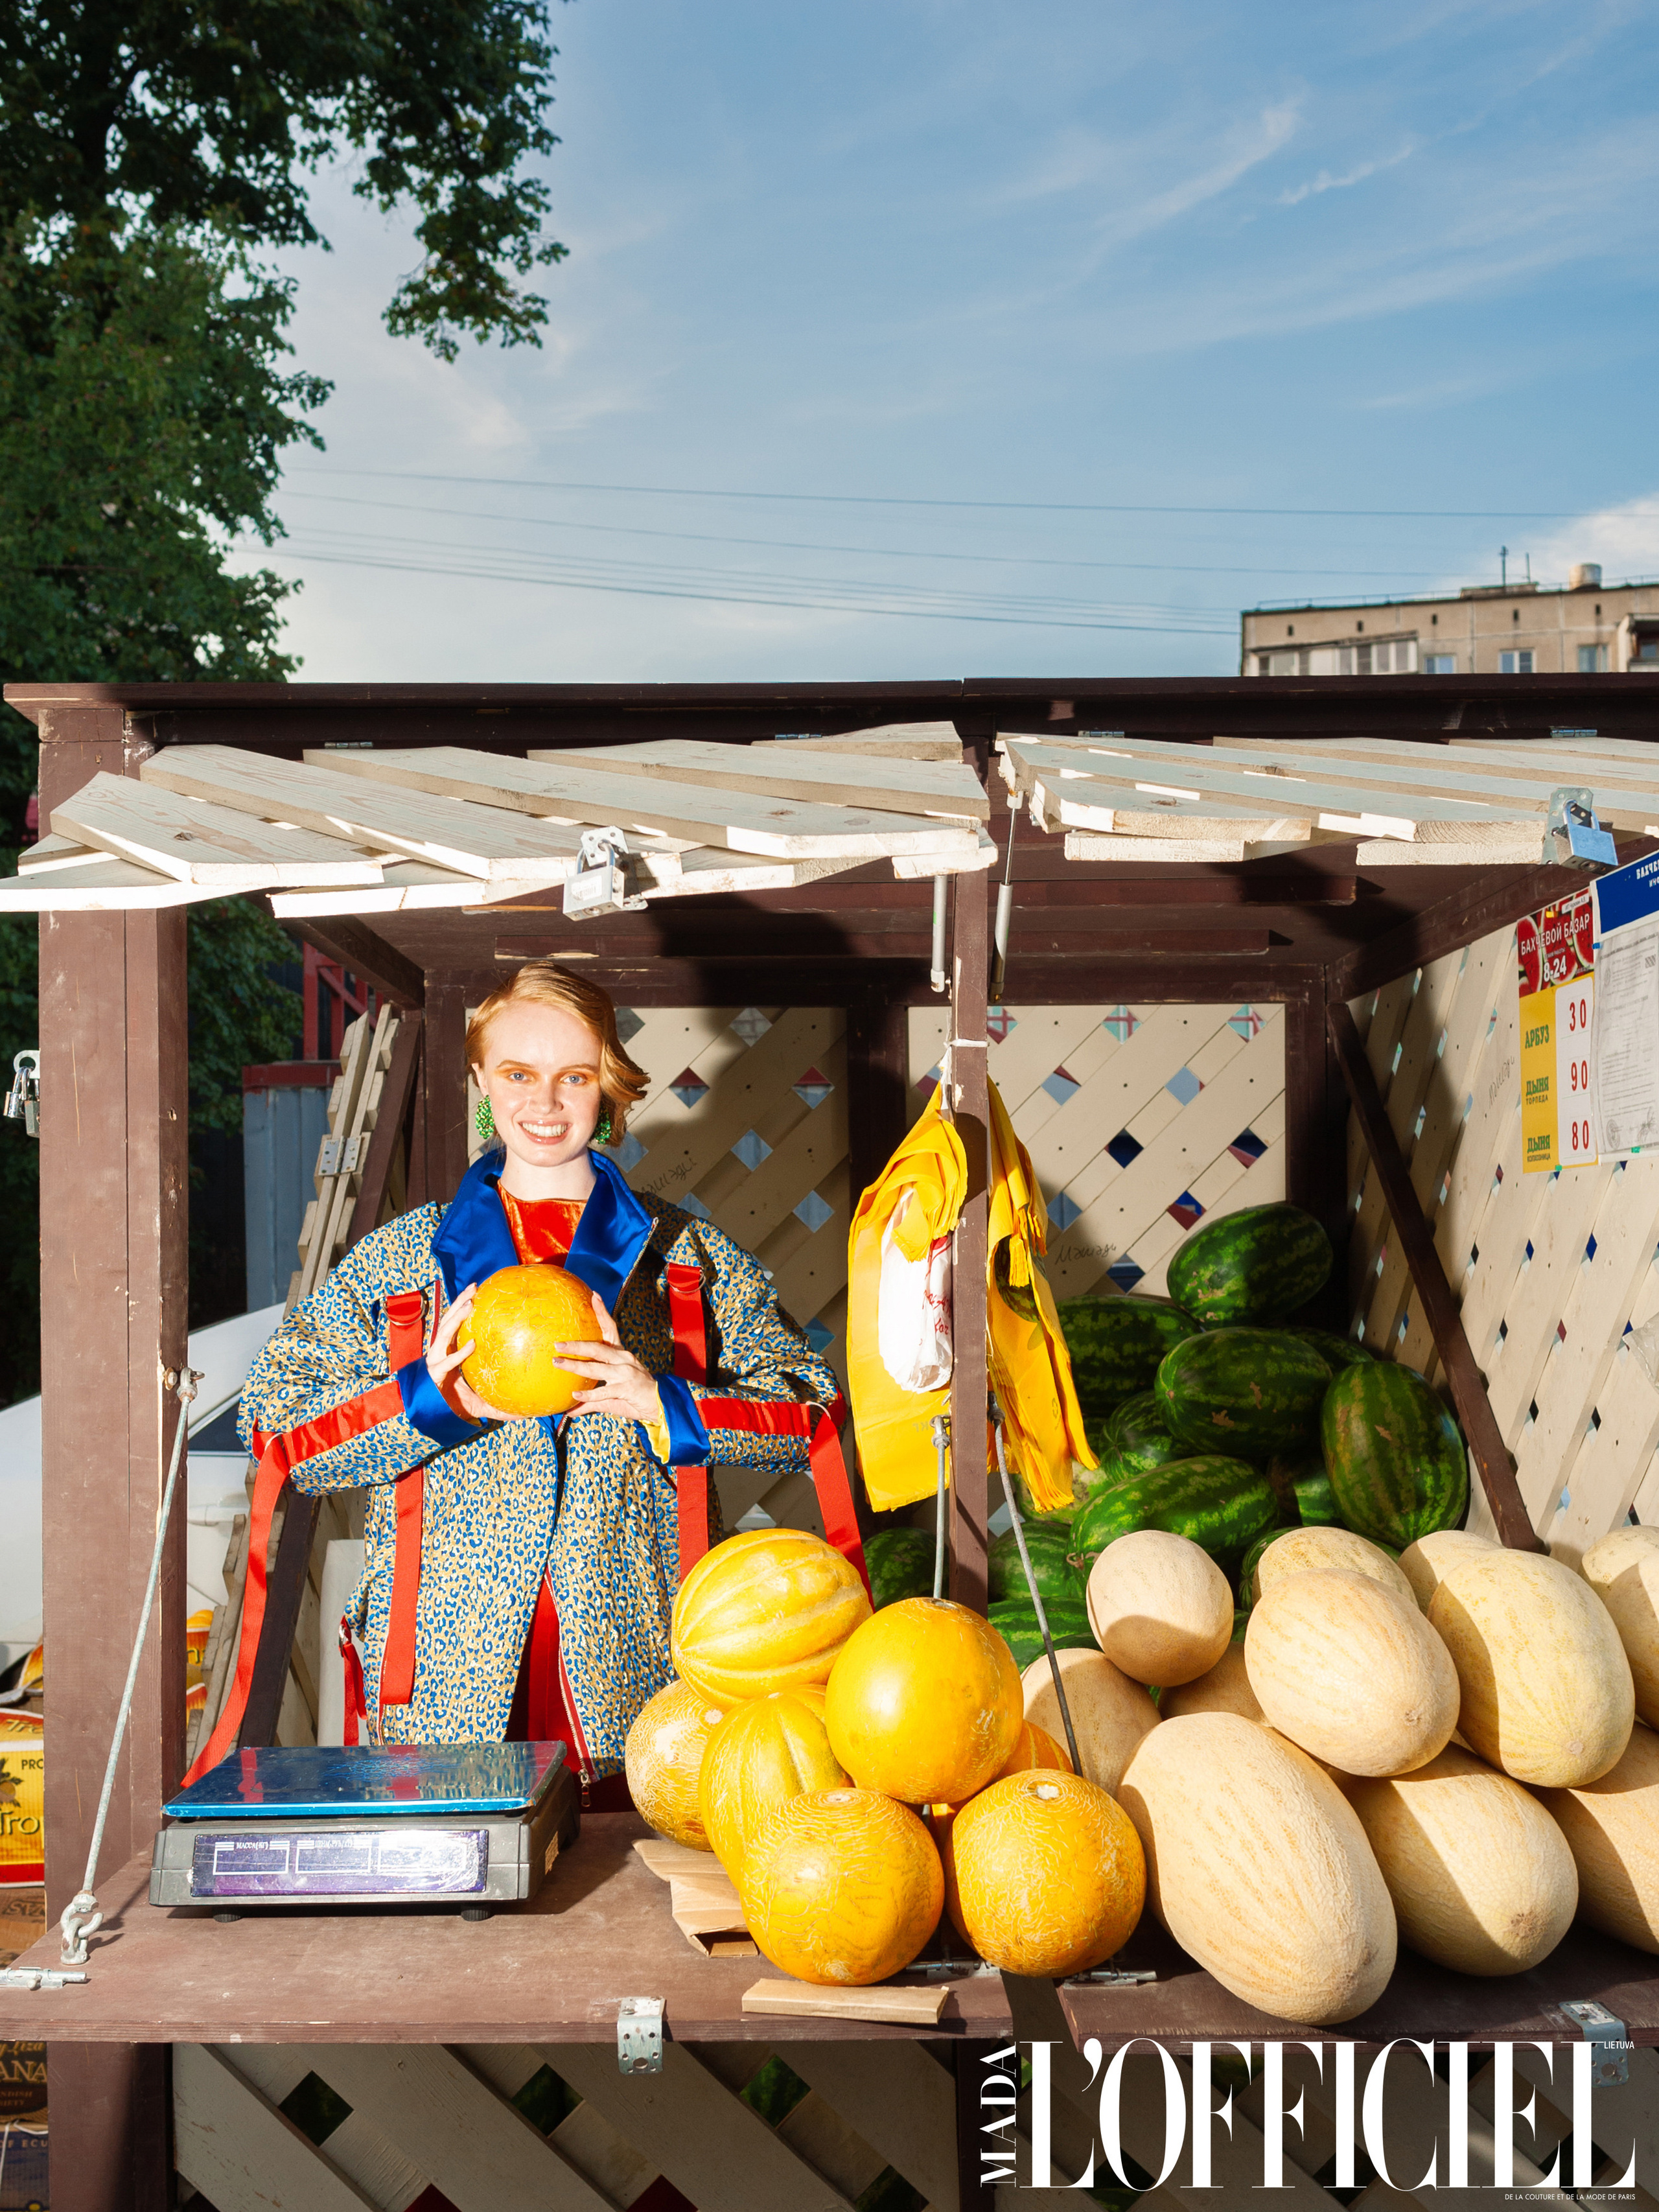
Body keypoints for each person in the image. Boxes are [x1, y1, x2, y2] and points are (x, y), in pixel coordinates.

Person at [192, 962, 842, 1793]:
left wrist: (664, 1403)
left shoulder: (686, 1258)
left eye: (574, 1076)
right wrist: (429, 1402)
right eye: (518, 1074)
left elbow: (812, 1412)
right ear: (479, 1081)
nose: (546, 1102)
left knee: (628, 1908)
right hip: (441, 1676)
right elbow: (275, 1427)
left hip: (642, 1671)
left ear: (609, 1085)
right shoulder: (400, 1260)